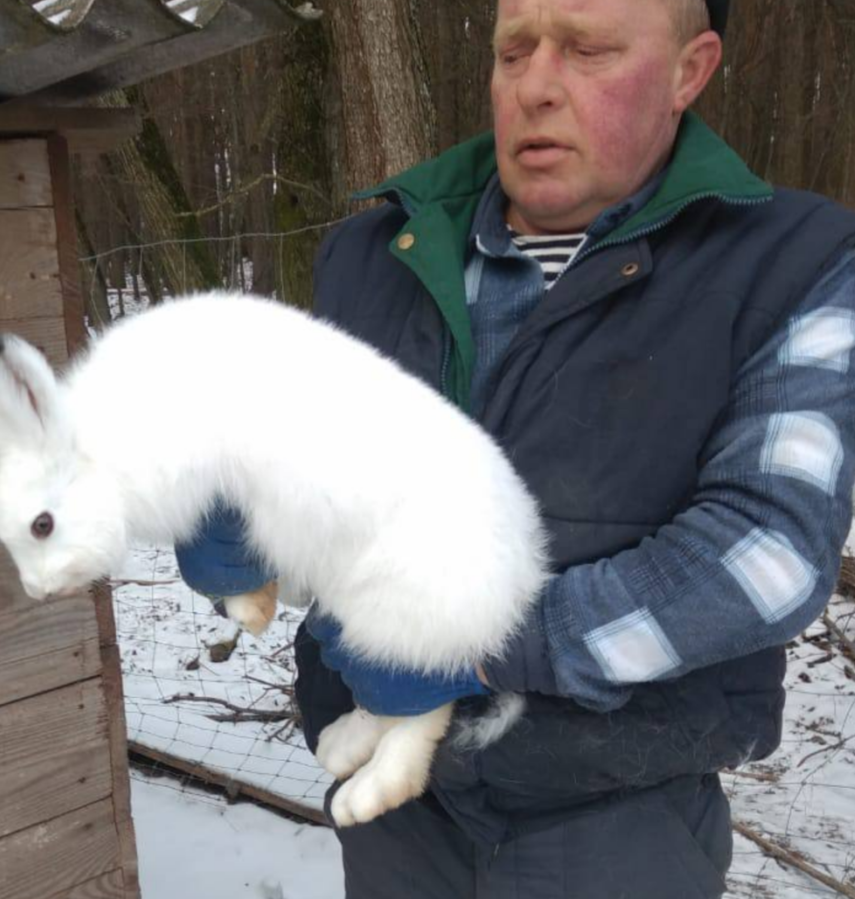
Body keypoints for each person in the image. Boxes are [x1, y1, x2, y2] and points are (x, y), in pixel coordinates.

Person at [175, 0, 855, 895]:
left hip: (616, 819)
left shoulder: (793, 259)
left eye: (588, 50)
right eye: (514, 50)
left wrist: (473, 635)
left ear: (690, 71)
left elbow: (764, 552)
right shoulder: (372, 254)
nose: (535, 86)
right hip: (395, 804)